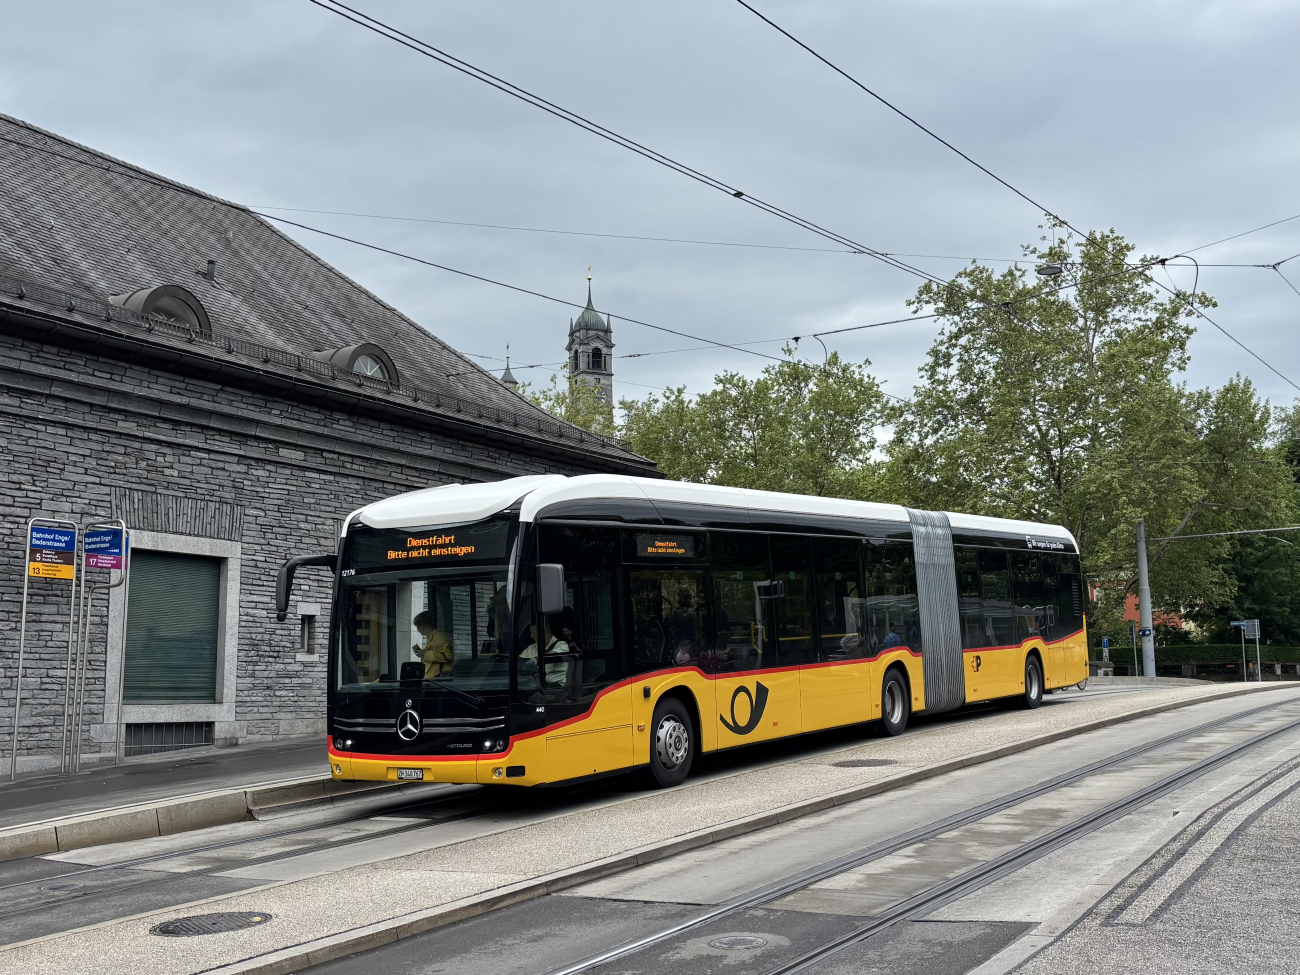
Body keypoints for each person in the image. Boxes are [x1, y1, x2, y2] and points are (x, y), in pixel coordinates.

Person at [413, 611, 453, 679]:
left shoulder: (439, 637)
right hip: (433, 677)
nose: (418, 630)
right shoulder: (432, 637)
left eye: (417, 627)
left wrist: (425, 654)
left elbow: (447, 656)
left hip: (438, 678)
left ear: (422, 626)